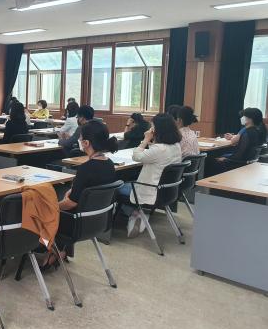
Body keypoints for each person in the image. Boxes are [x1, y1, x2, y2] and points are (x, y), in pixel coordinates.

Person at [43, 121, 118, 268]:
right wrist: (73, 193)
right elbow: (87, 192)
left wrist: (52, 206)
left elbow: (71, 203)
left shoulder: (86, 168)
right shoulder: (110, 164)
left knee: (41, 211)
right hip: (98, 221)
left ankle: (48, 249)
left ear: (86, 143)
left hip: (76, 224)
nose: (79, 140)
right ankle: (60, 250)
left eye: (80, 138)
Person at [117, 113, 182, 238]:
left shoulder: (159, 149)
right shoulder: (176, 146)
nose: (150, 130)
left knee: (118, 186)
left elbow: (136, 156)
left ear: (158, 130)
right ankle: (138, 212)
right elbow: (157, 153)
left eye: (152, 127)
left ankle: (134, 213)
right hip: (166, 192)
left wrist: (146, 140)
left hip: (149, 191)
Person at [208, 108, 265, 176]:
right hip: (250, 161)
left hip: (239, 163)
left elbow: (239, 155)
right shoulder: (258, 131)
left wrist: (226, 159)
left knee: (209, 161)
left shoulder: (247, 133)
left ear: (250, 119)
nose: (241, 118)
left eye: (243, 116)